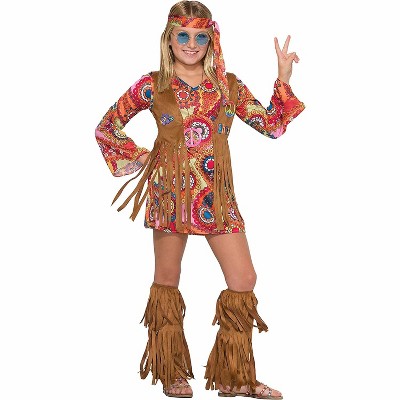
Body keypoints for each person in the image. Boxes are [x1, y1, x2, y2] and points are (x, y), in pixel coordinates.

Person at [95, 1, 305, 398]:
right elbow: (107, 127)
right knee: (167, 279)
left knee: (243, 279)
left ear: (212, 40)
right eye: (183, 35)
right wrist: (143, 158)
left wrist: (282, 77)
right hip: (170, 195)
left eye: (200, 37)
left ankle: (233, 376)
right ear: (169, 38)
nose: (191, 44)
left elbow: (272, 126)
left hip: (216, 198)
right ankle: (171, 371)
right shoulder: (151, 85)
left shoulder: (227, 86)